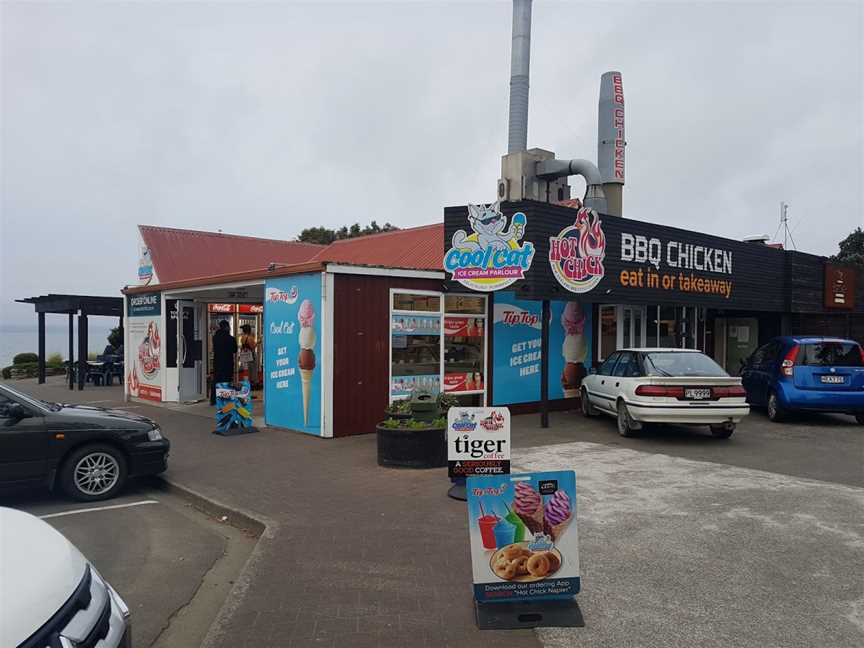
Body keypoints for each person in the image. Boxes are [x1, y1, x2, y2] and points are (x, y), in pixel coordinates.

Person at [211, 320, 237, 405]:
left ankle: (214, 399)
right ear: (227, 327)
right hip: (227, 362)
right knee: (226, 380)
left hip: (217, 362)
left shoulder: (215, 338)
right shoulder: (231, 339)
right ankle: (225, 399)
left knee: (216, 380)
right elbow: (235, 350)